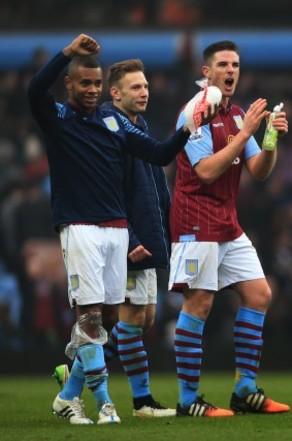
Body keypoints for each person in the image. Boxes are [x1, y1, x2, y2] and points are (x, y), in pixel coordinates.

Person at [27, 34, 216, 425]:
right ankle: (104, 404)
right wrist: (66, 54)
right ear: (70, 85)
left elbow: (160, 153)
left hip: (115, 228)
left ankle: (67, 393)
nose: (92, 90)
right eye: (85, 83)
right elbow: (34, 89)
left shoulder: (114, 122)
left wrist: (188, 128)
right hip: (79, 226)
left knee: (109, 318)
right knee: (92, 318)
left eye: (96, 84)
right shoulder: (58, 118)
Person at [168, 40, 290, 417]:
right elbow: (204, 172)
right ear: (207, 72)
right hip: (194, 220)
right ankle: (188, 399)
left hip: (227, 221)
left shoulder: (238, 114)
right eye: (223, 64)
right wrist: (246, 132)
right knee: (200, 303)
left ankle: (244, 389)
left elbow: (259, 171)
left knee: (258, 294)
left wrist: (269, 136)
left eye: (235, 64)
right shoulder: (194, 114)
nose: (231, 70)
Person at [52, 59, 177, 417]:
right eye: (136, 87)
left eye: (147, 86)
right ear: (115, 92)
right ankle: (140, 400)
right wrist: (133, 235)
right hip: (123, 236)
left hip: (146, 235)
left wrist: (165, 229)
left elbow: (154, 184)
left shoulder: (138, 125)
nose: (144, 92)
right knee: (130, 318)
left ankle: (74, 373)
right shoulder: (110, 126)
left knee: (143, 318)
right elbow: (111, 189)